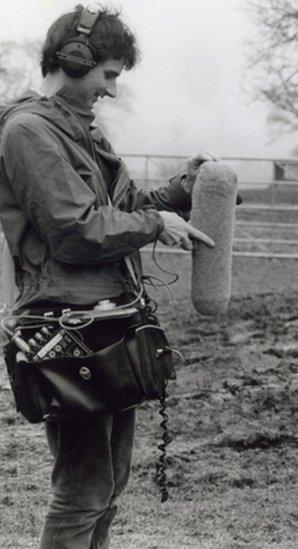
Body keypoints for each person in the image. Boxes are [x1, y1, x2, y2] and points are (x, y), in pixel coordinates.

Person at [0, 7, 214, 548]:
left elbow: (125, 206)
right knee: (83, 489)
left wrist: (185, 189)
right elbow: (74, 229)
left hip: (106, 323)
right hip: (66, 327)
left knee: (110, 483)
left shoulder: (76, 130)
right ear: (74, 60)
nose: (112, 91)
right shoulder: (29, 131)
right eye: (109, 75)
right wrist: (153, 225)